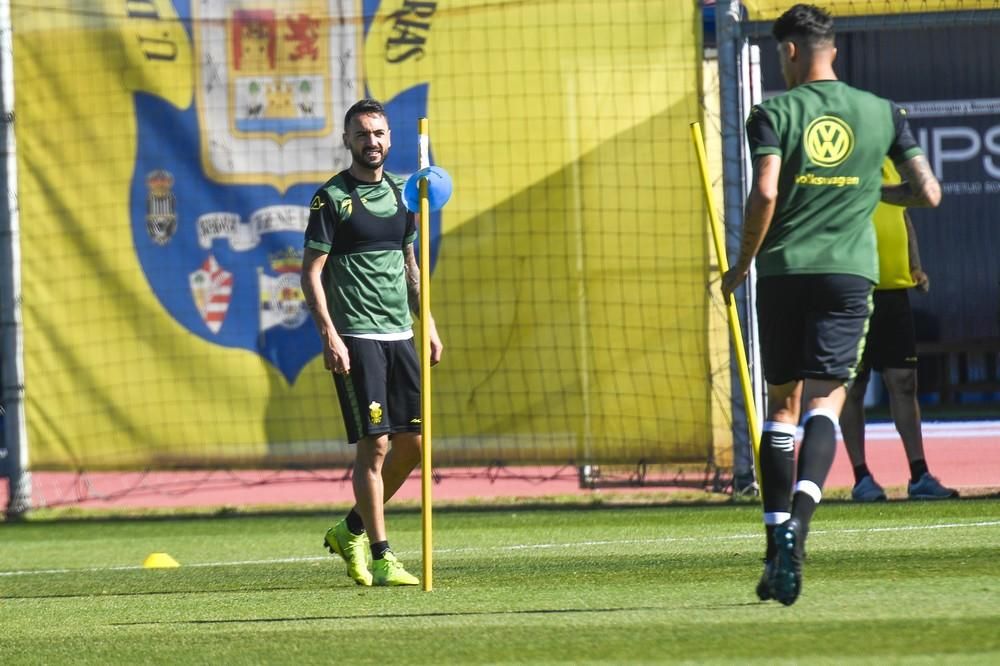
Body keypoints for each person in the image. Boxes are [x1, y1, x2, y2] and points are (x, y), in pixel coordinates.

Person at [721, 4, 941, 606]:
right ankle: (799, 526)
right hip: (850, 275)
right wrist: (873, 189)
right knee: (827, 398)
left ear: (788, 50)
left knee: (783, 405)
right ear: (833, 50)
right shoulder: (883, 112)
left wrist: (742, 263)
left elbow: (765, 190)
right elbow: (928, 191)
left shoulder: (770, 113)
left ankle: (773, 546)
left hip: (786, 270)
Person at [301, 98, 443, 587]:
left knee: (416, 446)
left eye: (379, 133)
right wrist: (329, 335)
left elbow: (411, 266)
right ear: (347, 140)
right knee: (376, 446)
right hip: (357, 338)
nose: (372, 141)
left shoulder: (405, 195)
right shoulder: (332, 199)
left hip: (400, 333)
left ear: (390, 138)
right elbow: (310, 274)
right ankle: (382, 556)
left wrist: (427, 323)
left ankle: (352, 528)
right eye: (362, 134)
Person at [839, 160, 958, 502]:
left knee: (904, 382)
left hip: (894, 293)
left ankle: (919, 475)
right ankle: (862, 478)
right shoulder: (839, 162)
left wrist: (915, 266)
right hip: (853, 290)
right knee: (854, 388)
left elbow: (903, 217)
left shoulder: (888, 163)